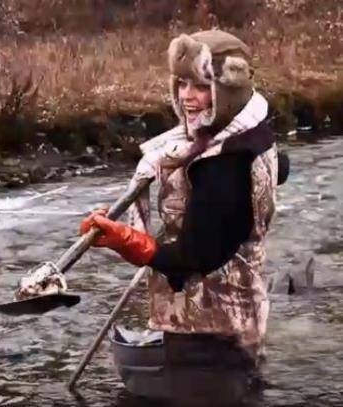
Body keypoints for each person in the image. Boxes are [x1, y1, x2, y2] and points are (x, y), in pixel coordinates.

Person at [80, 30, 288, 404]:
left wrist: (126, 240)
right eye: (181, 83)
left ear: (228, 89)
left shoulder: (223, 164)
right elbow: (280, 166)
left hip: (207, 332)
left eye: (202, 86)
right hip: (238, 321)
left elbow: (194, 258)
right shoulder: (252, 134)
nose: (187, 97)